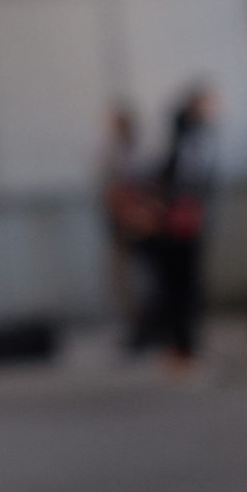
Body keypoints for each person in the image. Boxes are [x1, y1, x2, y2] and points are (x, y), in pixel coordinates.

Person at [131, 81, 218, 369]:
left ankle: (183, 350)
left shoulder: (191, 137)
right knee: (178, 291)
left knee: (182, 291)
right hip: (175, 229)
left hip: (184, 225)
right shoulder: (183, 140)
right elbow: (166, 182)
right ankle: (179, 352)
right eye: (209, 104)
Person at [100, 96, 153, 343]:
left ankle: (148, 327)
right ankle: (135, 328)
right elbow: (106, 192)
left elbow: (147, 189)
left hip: (141, 227)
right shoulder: (110, 153)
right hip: (119, 226)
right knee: (123, 281)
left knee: (145, 278)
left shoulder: (141, 153)